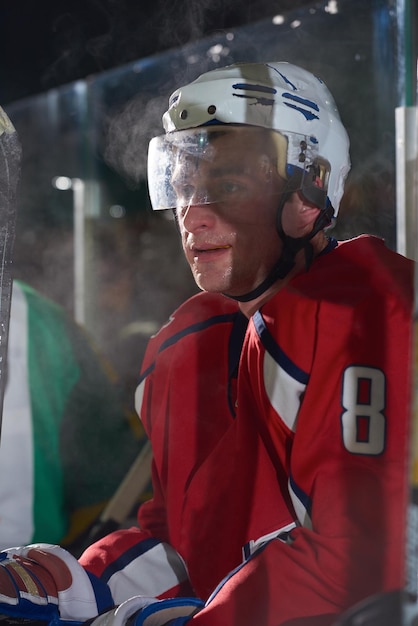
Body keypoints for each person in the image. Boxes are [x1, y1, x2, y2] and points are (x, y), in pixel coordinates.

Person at [0, 61, 413, 626]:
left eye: (228, 186)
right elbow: (186, 547)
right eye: (185, 184)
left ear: (310, 192)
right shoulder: (194, 345)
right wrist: (76, 586)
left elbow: (359, 566)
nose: (192, 214)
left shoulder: (368, 307)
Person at [0, 279, 144, 552]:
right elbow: (109, 466)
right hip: (32, 569)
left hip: (30, 566)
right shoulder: (40, 317)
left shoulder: (42, 319)